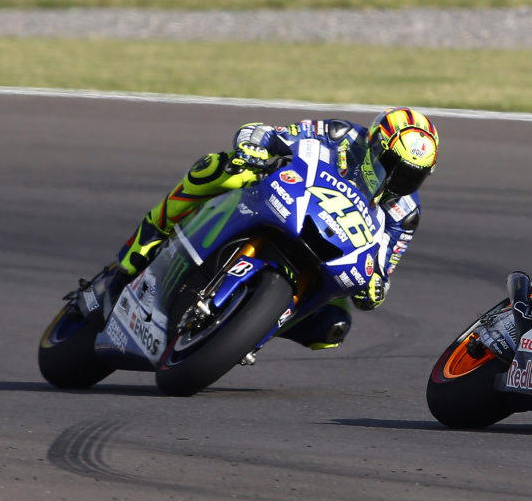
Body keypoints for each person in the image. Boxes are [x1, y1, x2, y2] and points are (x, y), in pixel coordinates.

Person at [114, 107, 439, 350]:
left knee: (334, 325)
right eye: (395, 167)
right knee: (223, 167)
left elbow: (383, 266)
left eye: (414, 175)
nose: (400, 181)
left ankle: (246, 329)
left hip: (331, 250)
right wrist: (255, 148)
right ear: (377, 145)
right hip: (284, 200)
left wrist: (376, 285)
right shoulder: (341, 135)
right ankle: (153, 231)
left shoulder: (405, 213)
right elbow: (273, 134)